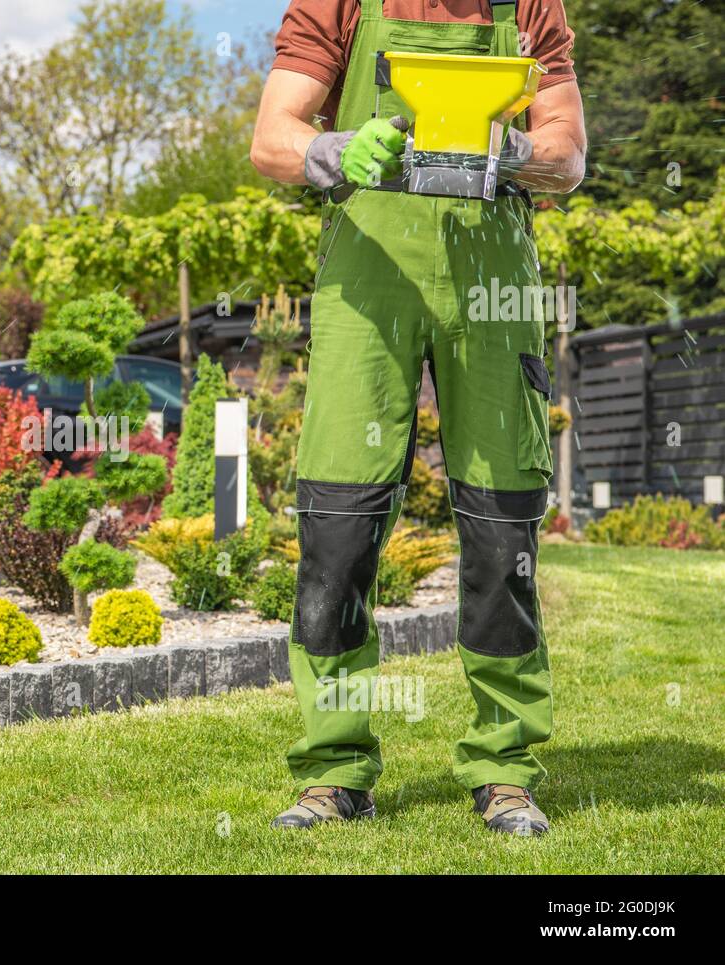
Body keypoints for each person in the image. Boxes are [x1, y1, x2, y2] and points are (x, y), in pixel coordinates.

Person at [249, 0, 587, 835]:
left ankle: (504, 768)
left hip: (493, 282)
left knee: (502, 523)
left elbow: (569, 153)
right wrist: (332, 149)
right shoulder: (343, 4)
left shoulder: (525, 7)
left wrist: (512, 153)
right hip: (367, 278)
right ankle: (335, 770)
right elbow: (271, 138)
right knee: (338, 520)